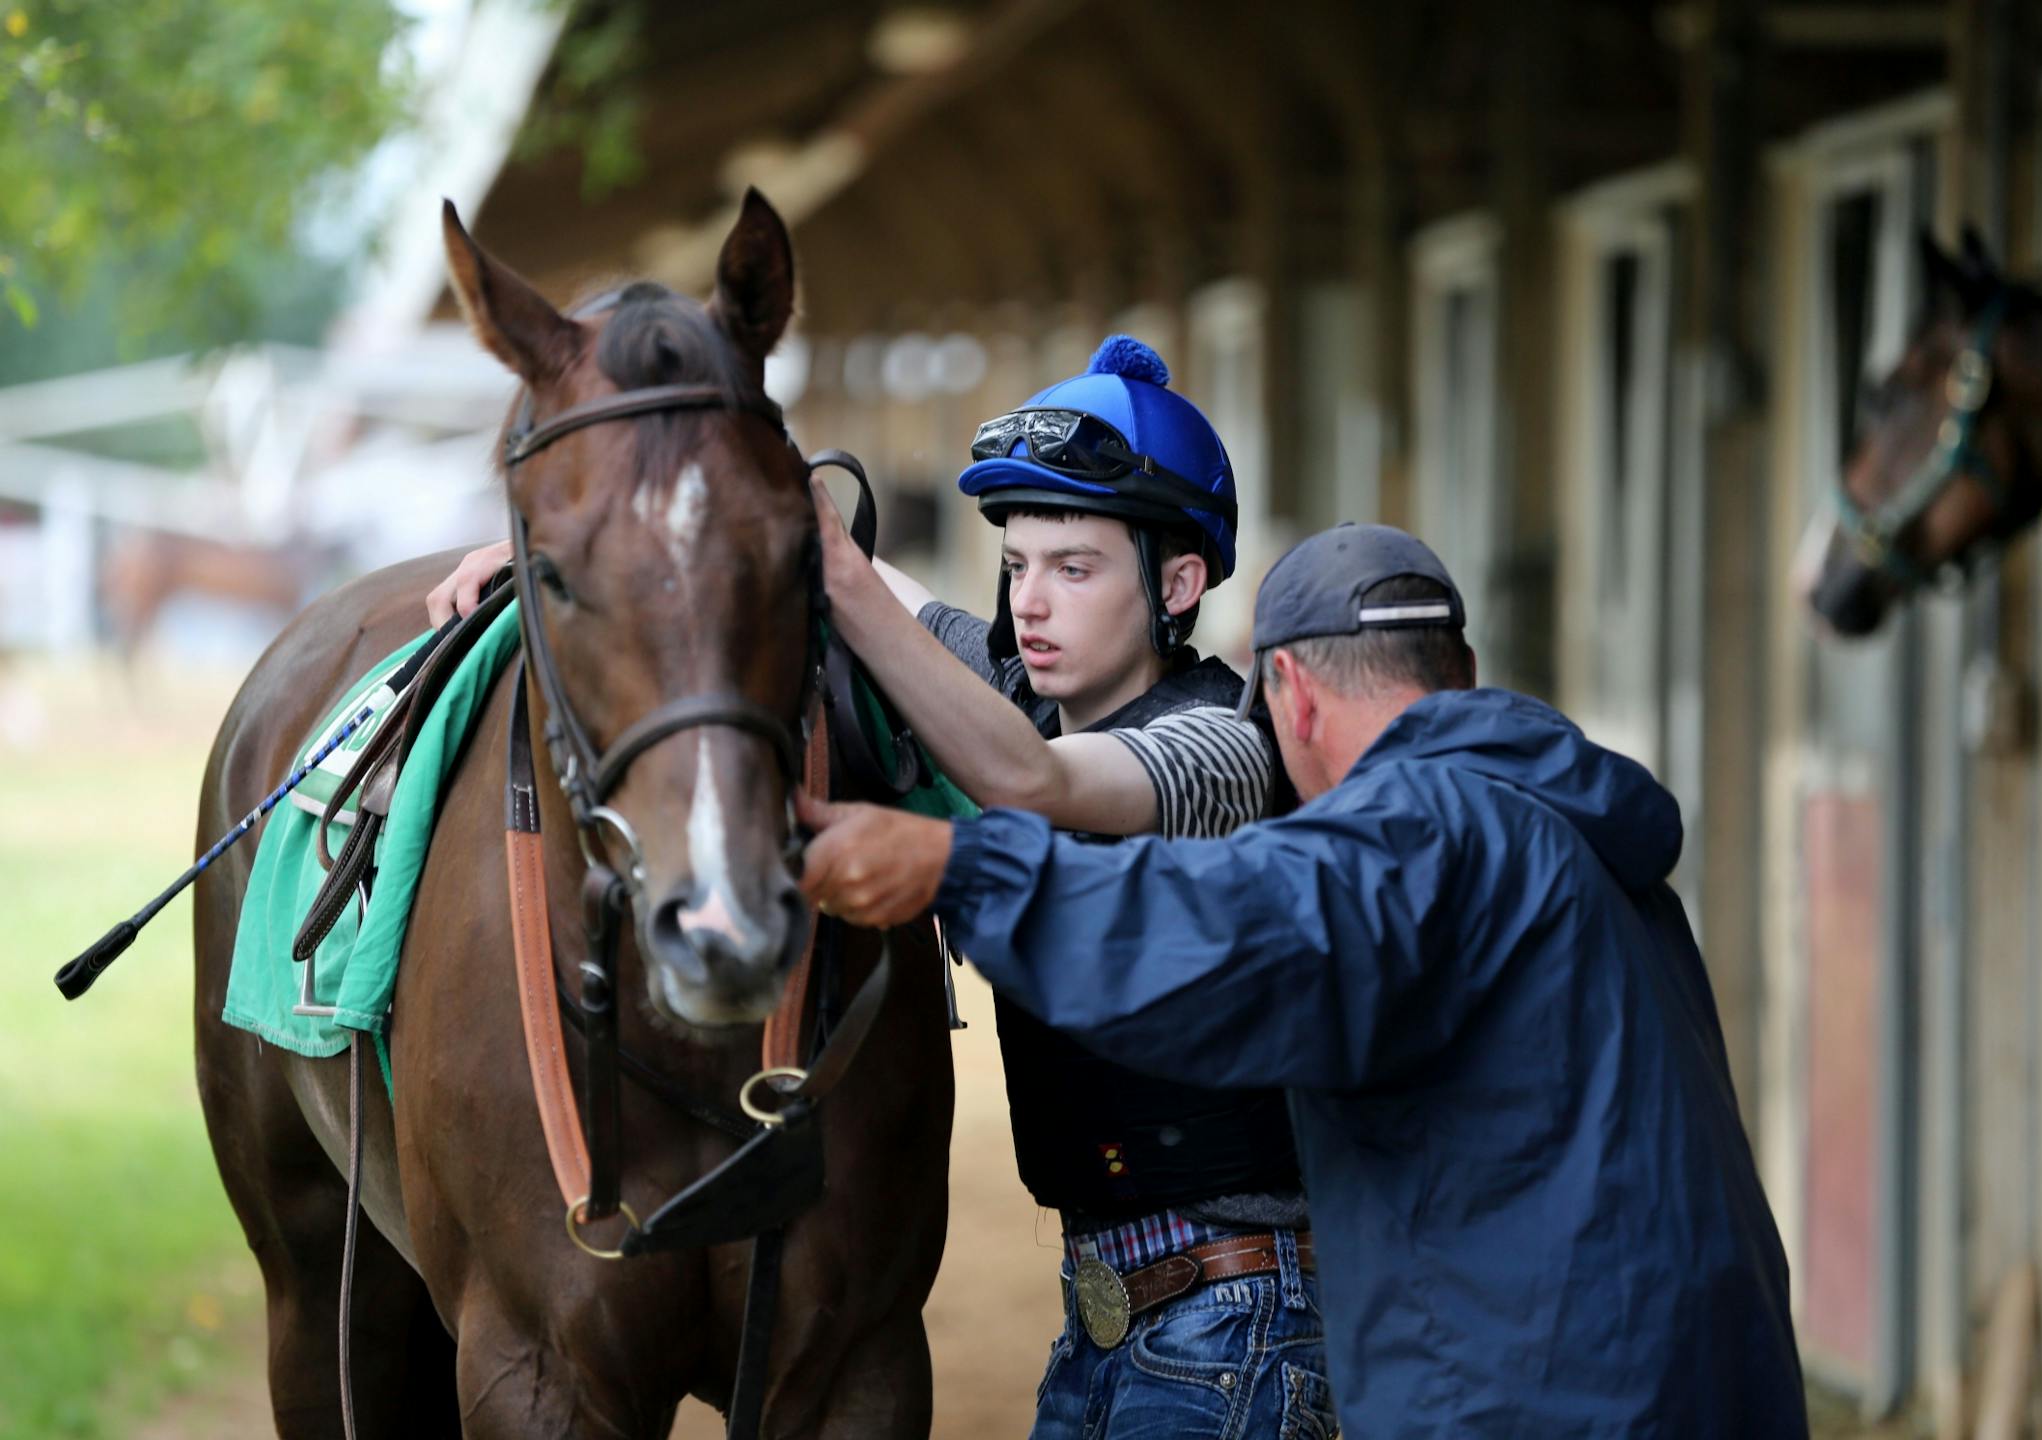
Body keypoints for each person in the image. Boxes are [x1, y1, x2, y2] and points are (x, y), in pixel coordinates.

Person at [425, 335, 1334, 1438]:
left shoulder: (1223, 751)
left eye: (1075, 568)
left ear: (1178, 582)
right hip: (1110, 1322)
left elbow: (1029, 778)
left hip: (1235, 1319)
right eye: (1017, 565)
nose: (1031, 603)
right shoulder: (1015, 693)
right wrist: (584, 550)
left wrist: (840, 574)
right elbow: (879, 595)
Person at [798, 523, 1811, 1438]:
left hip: (1537, 1401)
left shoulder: (1424, 831)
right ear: (1458, 673)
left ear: (1295, 693)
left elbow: (1228, 939)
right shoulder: (1563, 840)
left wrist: (958, 870)